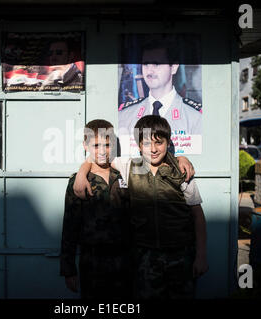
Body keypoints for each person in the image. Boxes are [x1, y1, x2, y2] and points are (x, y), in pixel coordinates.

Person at [73, 115, 207, 299]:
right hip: (145, 259)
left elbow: (198, 216)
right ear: (138, 145)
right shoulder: (129, 166)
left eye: (158, 143)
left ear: (168, 143)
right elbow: (98, 159)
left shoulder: (181, 173)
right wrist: (82, 173)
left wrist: (201, 256)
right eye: (146, 144)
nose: (153, 149)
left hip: (181, 256)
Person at [60, 119, 132, 299]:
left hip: (125, 261)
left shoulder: (123, 174)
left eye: (107, 145)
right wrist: (68, 269)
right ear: (85, 145)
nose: (102, 151)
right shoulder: (79, 182)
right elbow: (69, 227)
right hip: (92, 263)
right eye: (96, 145)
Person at [118, 39, 202, 142]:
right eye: (145, 64)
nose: (149, 71)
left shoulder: (195, 116)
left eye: (156, 64)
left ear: (174, 68)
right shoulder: (126, 114)